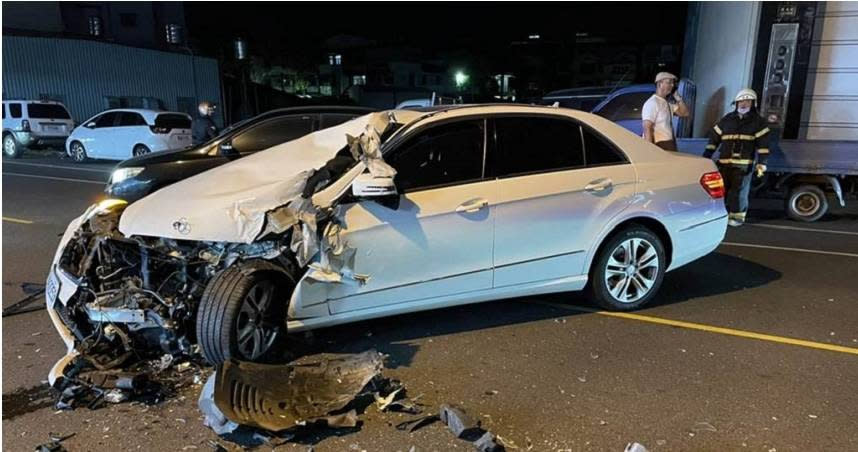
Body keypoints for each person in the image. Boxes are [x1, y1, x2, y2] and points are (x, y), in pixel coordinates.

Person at [703, 88, 770, 227]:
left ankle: (737, 217)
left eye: (747, 101)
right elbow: (714, 140)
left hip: (744, 165)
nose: (743, 104)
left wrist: (762, 163)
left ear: (753, 103)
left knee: (739, 193)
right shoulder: (727, 120)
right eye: (740, 102)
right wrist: (706, 157)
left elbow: (763, 145)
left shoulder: (758, 122)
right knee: (721, 191)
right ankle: (720, 215)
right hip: (724, 163)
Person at [641, 72, 690, 151]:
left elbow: (685, 113)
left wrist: (678, 99)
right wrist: (649, 150)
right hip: (659, 145)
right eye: (669, 82)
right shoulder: (652, 103)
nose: (672, 85)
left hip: (669, 144)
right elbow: (647, 127)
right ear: (660, 84)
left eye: (673, 83)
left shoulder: (667, 103)